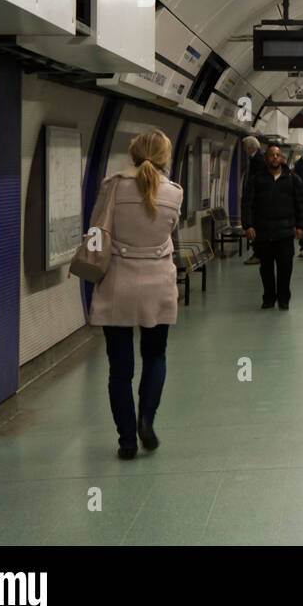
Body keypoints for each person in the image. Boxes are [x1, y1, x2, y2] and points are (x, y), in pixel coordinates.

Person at [88, 129, 184, 460]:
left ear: (133, 153)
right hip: (157, 285)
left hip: (118, 285)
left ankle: (127, 440)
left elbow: (97, 231)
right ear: (165, 157)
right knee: (155, 356)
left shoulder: (112, 186)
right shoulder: (174, 193)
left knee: (120, 369)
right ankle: (147, 418)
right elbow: (167, 230)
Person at [241, 144, 303, 310]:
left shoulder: (292, 179)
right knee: (266, 268)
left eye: (278, 155)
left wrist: (301, 226)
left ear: (282, 159)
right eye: (272, 155)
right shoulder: (256, 179)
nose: (275, 158)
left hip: (285, 231)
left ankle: (284, 298)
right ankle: (269, 297)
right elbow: (248, 204)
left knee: (285, 267)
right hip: (264, 232)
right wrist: (248, 225)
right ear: (266, 159)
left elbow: (301, 204)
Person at [241, 136, 263, 265]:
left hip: (256, 200)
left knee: (256, 227)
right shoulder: (255, 158)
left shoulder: (259, 160)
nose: (244, 150)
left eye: (245, 147)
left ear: (250, 147)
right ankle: (257, 253)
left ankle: (258, 254)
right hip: (255, 199)